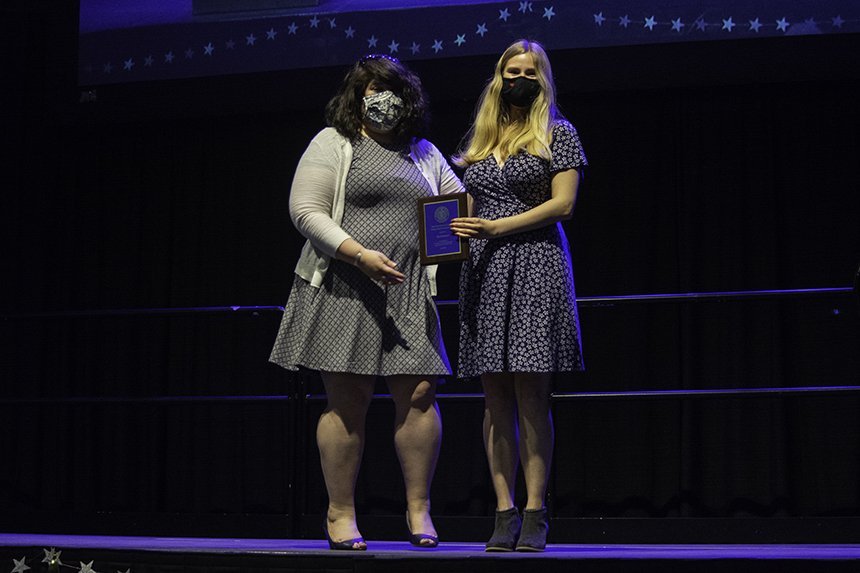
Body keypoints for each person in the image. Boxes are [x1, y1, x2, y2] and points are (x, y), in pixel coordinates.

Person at [269, 54, 464, 550]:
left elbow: (455, 205)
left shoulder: (423, 151)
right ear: (356, 96)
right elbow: (305, 210)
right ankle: (340, 514)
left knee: (420, 396)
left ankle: (419, 510)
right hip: (346, 287)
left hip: (408, 290)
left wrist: (454, 229)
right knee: (347, 403)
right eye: (372, 88)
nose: (383, 98)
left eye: (392, 88)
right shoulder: (333, 143)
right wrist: (358, 255)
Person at [451, 40, 587, 552]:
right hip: (484, 271)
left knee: (531, 395)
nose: (520, 78)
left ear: (542, 78)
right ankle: (503, 509)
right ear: (498, 76)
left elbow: (564, 205)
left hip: (535, 265)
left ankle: (535, 510)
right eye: (513, 71)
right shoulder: (482, 139)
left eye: (530, 71)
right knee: (494, 398)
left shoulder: (559, 132)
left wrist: (496, 226)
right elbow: (460, 206)